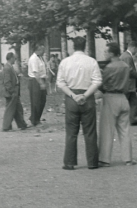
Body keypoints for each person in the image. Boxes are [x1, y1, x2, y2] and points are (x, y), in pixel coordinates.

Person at [56, 36, 102, 170]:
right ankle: (92, 162)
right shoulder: (92, 62)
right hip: (88, 98)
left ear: (73, 46)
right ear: (85, 46)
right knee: (90, 131)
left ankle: (69, 162)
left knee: (71, 132)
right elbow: (97, 81)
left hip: (71, 97)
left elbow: (60, 82)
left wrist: (73, 95)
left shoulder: (65, 62)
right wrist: (86, 95)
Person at [98, 43, 134, 167]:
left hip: (110, 97)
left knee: (107, 130)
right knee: (125, 129)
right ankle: (128, 158)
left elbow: (101, 83)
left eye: (106, 52)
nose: (104, 54)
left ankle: (104, 159)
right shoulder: (125, 66)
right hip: (123, 97)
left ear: (112, 53)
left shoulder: (109, 68)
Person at [2, 53, 29, 131]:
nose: (15, 60)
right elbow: (7, 82)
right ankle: (6, 127)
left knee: (18, 108)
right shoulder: (7, 68)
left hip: (15, 91)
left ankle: (22, 125)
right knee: (10, 109)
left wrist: (17, 77)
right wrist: (12, 91)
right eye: (14, 58)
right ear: (10, 58)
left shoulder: (10, 67)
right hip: (11, 92)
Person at [121, 40, 137, 125]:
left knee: (133, 102)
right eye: (136, 49)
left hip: (128, 83)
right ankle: (131, 119)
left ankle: (133, 119)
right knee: (129, 102)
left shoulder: (125, 55)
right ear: (133, 47)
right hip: (128, 83)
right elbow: (129, 70)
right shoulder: (127, 57)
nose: (136, 51)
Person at [28, 45, 48, 127]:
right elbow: (35, 73)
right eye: (42, 49)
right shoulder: (34, 59)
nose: (44, 51)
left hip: (41, 79)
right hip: (35, 81)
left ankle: (35, 117)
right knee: (36, 101)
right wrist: (41, 83)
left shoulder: (40, 57)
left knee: (42, 100)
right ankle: (34, 120)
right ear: (38, 49)